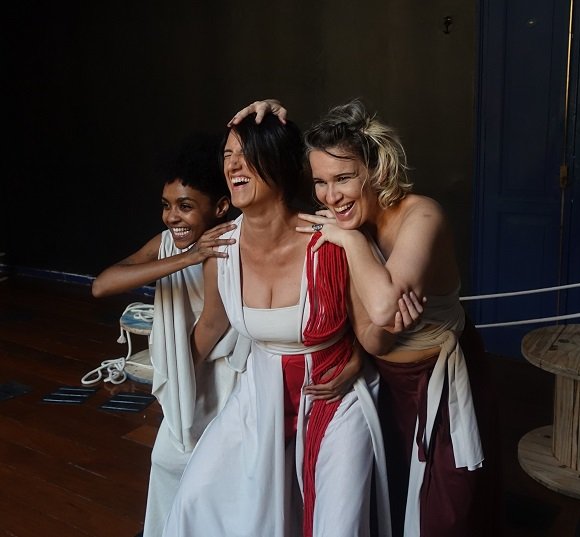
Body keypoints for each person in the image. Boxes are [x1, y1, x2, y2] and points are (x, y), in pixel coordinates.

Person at [231, 98, 500, 537]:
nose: (330, 196)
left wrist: (352, 243)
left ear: (376, 169)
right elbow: (376, 338)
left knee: (446, 515)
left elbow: (381, 311)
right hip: (387, 382)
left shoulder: (422, 215)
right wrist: (268, 111)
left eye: (343, 178)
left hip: (443, 379)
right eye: (320, 182)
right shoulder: (344, 223)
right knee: (391, 503)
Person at [162, 113, 419, 537]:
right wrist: (171, 388)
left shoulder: (331, 240)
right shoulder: (221, 248)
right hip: (259, 395)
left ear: (279, 163)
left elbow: (369, 330)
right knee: (196, 500)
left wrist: (360, 354)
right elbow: (209, 328)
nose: (232, 165)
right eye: (227, 155)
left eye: (246, 154)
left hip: (335, 395)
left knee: (338, 525)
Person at [92, 133, 243, 537]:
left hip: (220, 374)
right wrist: (187, 257)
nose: (172, 216)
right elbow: (102, 285)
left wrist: (178, 380)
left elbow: (213, 325)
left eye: (185, 206)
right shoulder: (169, 245)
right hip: (188, 371)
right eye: (166, 205)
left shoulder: (228, 244)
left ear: (220, 207)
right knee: (169, 463)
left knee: (208, 471)